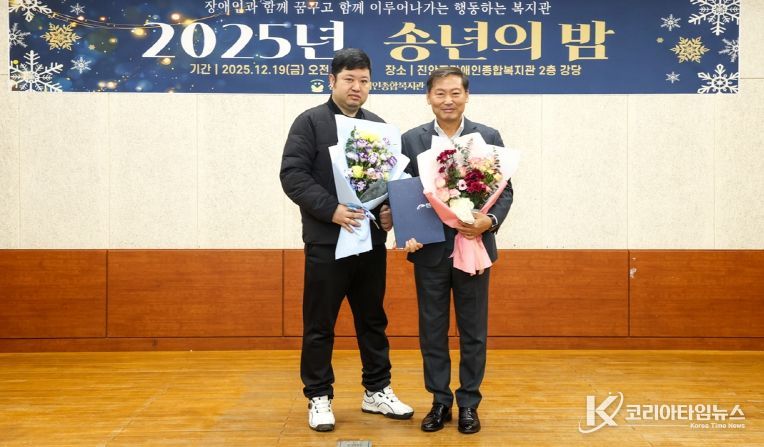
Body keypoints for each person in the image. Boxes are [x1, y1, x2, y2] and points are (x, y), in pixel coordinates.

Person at [279, 48, 413, 432]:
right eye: (349, 79)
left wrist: (388, 212)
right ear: (332, 81)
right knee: (320, 323)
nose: (357, 87)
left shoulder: (379, 127)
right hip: (328, 241)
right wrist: (332, 210)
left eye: (364, 80)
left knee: (373, 320)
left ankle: (377, 390)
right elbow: (293, 176)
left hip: (369, 241)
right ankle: (319, 395)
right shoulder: (310, 122)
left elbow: (389, 183)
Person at [400, 66, 514, 434]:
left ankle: (468, 403)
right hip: (429, 250)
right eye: (440, 93)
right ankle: (439, 401)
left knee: (473, 331)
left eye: (455, 93)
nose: (447, 100)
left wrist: (488, 221)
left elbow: (505, 191)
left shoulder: (487, 136)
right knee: (432, 330)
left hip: (474, 245)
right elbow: (403, 193)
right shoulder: (411, 140)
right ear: (428, 97)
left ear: (466, 96)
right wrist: (407, 232)